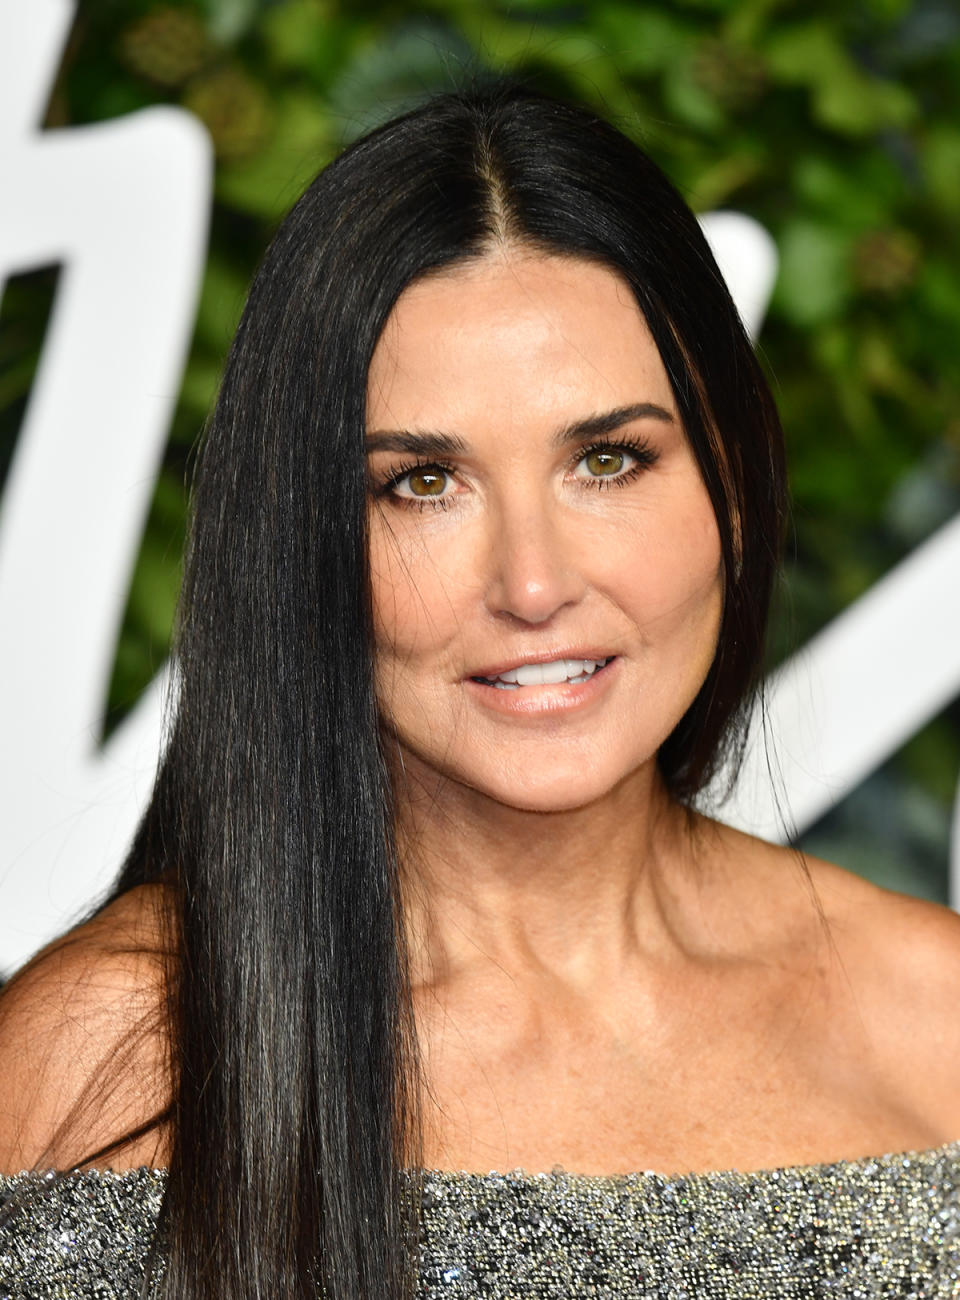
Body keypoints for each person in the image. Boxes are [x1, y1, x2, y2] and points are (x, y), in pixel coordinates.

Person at [1, 80, 960, 1300]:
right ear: (302, 541)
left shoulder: (936, 1020)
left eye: (608, 460)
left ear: (728, 489)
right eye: (421, 484)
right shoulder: (108, 1067)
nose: (533, 582)